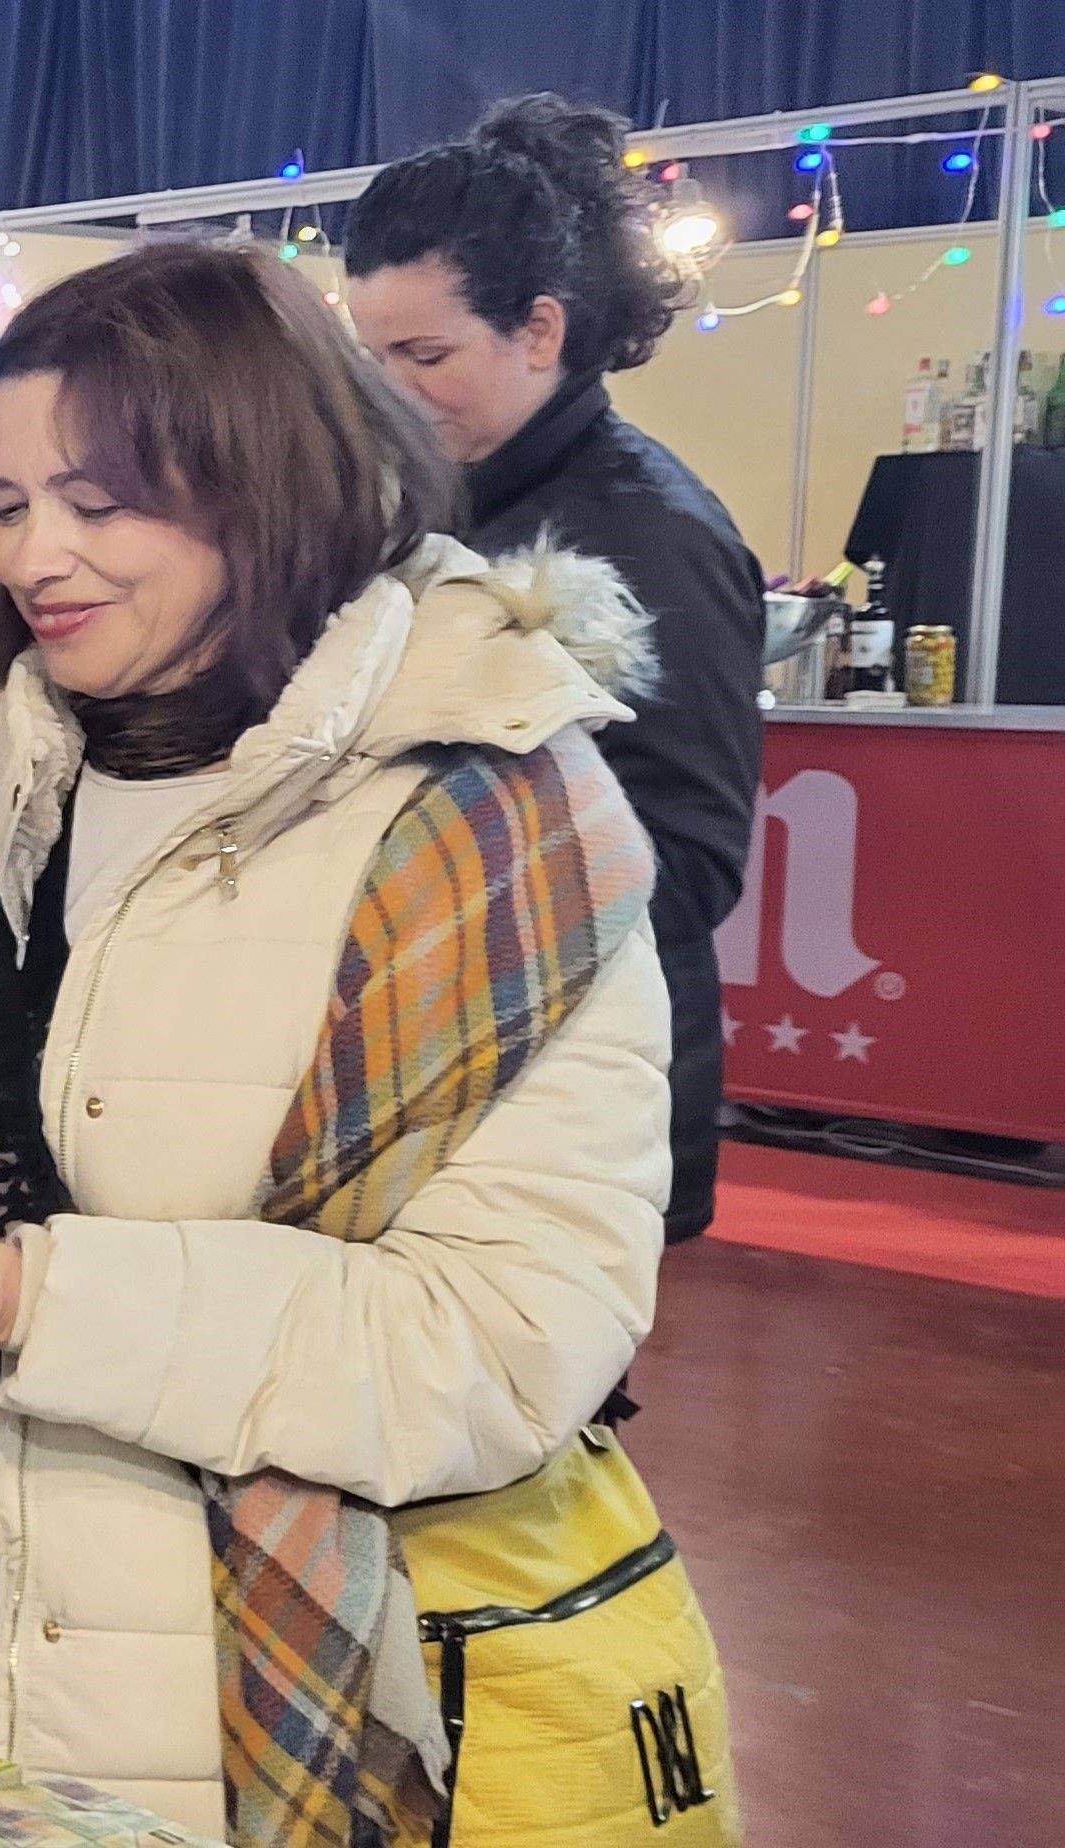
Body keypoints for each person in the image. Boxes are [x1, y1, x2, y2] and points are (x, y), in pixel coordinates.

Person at [0, 243, 730, 1839]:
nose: (42, 556)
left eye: (101, 501)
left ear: (266, 474)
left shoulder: (486, 823)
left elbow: (509, 1345)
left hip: (218, 1710)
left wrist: (47, 1296)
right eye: (6, 504)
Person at [344, 93, 764, 1246]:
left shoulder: (650, 532)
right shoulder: (435, 498)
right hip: (447, 1061)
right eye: (368, 356)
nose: (387, 389)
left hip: (579, 1094)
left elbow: (687, 860)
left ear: (538, 329)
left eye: (422, 354)